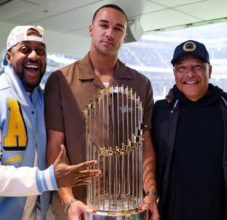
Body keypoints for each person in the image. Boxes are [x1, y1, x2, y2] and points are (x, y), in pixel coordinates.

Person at [44, 4, 159, 220]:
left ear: (124, 35)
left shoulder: (141, 84)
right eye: (104, 25)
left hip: (125, 209)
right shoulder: (61, 80)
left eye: (118, 29)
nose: (109, 33)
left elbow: (145, 144)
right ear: (91, 29)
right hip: (78, 209)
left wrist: (151, 193)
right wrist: (68, 201)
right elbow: (55, 147)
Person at [0, 25, 101, 220]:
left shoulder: (42, 99)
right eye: (24, 49)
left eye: (40, 51)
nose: (34, 56)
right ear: (8, 57)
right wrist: (47, 178)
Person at [152, 40, 227, 220]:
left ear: (209, 70)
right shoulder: (161, 110)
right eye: (182, 68)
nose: (190, 74)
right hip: (173, 213)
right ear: (174, 73)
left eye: (197, 67)